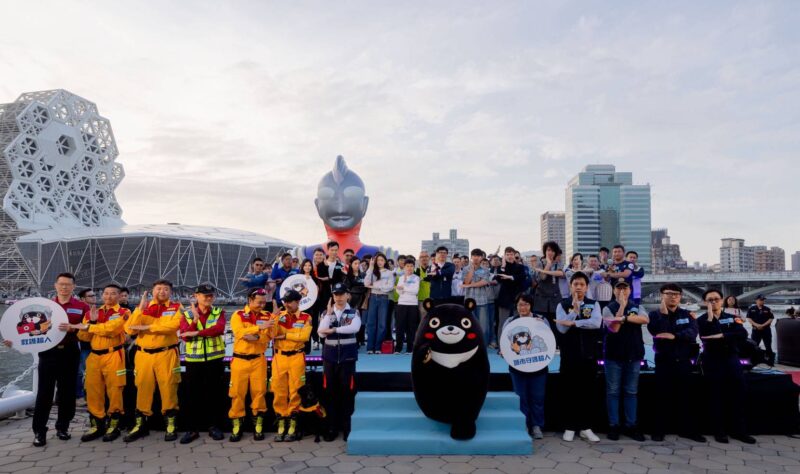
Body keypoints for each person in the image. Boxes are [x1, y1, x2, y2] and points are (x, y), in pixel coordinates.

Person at [1, 273, 90, 447]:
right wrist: (14, 342)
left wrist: (74, 328)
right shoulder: (44, 305)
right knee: (44, 393)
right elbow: (28, 330)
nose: (64, 287)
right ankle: (39, 431)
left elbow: (89, 328)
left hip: (70, 352)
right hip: (48, 353)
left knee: (67, 392)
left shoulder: (82, 307)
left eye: (68, 284)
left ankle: (63, 427)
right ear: (55, 286)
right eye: (61, 284)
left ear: (73, 287)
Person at [123, 279, 183, 442]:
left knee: (169, 387)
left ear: (171, 292)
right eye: (158, 289)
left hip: (167, 353)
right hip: (144, 355)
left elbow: (174, 326)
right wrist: (139, 310)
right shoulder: (143, 308)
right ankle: (140, 425)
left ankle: (171, 424)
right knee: (143, 387)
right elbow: (129, 329)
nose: (162, 292)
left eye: (165, 289)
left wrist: (148, 327)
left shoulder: (176, 307)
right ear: (152, 291)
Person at [647, 283, 705, 442]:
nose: (673, 297)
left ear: (680, 297)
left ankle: (687, 430)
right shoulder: (654, 315)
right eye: (669, 293)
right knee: (662, 397)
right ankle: (659, 430)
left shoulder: (687, 314)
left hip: (684, 361)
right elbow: (656, 331)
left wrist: (674, 336)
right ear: (662, 295)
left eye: (676, 294)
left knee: (686, 397)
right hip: (664, 361)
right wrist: (664, 316)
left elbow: (692, 332)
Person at [697, 289, 756, 444]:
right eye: (710, 300)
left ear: (722, 300)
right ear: (705, 302)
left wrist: (723, 335)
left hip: (731, 359)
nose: (713, 302)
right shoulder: (701, 320)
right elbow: (705, 337)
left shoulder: (732, 317)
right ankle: (719, 431)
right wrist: (711, 319)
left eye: (716, 299)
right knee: (715, 396)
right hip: (712, 360)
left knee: (738, 394)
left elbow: (742, 335)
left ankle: (739, 431)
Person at [72, 284, 130, 442]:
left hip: (114, 355)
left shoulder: (124, 312)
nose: (109, 296)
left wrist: (90, 326)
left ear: (119, 296)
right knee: (93, 391)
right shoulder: (92, 313)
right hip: (94, 356)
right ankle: (97, 424)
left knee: (115, 390)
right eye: (106, 293)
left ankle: (114, 424)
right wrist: (91, 322)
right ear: (102, 295)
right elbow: (83, 337)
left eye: (113, 293)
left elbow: (112, 330)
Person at [555, 272, 602, 442]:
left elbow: (596, 323)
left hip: (589, 356)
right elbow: (562, 328)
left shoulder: (593, 304)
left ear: (587, 287)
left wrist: (574, 322)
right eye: (576, 284)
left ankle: (585, 427)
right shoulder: (562, 304)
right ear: (571, 286)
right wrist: (573, 312)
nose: (579, 287)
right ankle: (569, 426)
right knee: (569, 392)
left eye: (582, 284)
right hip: (569, 356)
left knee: (587, 392)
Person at [178, 284, 227, 444]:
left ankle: (214, 426)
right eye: (205, 295)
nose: (208, 298)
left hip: (214, 360)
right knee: (192, 396)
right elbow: (185, 336)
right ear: (196, 296)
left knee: (215, 394)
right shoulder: (187, 314)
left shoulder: (219, 312)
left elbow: (219, 329)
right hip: (194, 361)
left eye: (211, 295)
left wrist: (197, 332)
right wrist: (195, 321)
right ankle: (192, 429)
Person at [602, 280, 647, 441]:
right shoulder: (608, 308)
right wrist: (621, 307)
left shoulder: (637, 306)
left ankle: (631, 425)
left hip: (634, 355)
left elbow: (644, 320)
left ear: (630, 290)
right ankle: (613, 425)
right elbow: (614, 328)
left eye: (625, 288)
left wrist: (624, 318)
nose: (622, 291)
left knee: (631, 392)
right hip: (613, 356)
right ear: (614, 291)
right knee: (613, 392)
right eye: (619, 288)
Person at [228, 287, 275, 442]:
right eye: (259, 302)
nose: (262, 305)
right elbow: (239, 333)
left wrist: (256, 336)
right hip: (239, 360)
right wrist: (259, 328)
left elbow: (269, 336)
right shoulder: (238, 315)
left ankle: (258, 425)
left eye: (264, 302)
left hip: (258, 360)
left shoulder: (267, 316)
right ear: (250, 300)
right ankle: (237, 425)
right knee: (237, 393)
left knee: (260, 392)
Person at [318, 283, 362, 441]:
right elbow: (321, 333)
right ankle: (332, 427)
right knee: (330, 394)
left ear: (348, 295)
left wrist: (334, 330)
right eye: (336, 294)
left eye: (342, 294)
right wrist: (328, 315)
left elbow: (354, 328)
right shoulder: (326, 312)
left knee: (347, 394)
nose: (339, 297)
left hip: (347, 359)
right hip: (330, 359)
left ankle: (347, 428)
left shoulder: (353, 312)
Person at [502, 293, 548, 439]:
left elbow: (549, 341)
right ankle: (524, 425)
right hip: (517, 367)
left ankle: (537, 426)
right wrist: (504, 352)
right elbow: (504, 343)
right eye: (520, 305)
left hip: (539, 367)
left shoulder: (541, 320)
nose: (523, 307)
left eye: (526, 304)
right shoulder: (510, 321)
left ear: (531, 305)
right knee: (521, 397)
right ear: (516, 306)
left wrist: (541, 327)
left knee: (537, 397)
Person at [271, 289, 312, 442]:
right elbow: (272, 335)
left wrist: (285, 335)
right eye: (285, 301)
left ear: (298, 302)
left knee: (296, 391)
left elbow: (304, 336)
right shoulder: (278, 316)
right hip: (279, 357)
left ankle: (293, 425)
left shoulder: (306, 317)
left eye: (289, 301)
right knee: (278, 390)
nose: (286, 304)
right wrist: (274, 318)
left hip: (297, 357)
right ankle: (281, 422)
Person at [463, 249, 497, 348]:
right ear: (471, 257)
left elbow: (484, 282)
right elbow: (466, 282)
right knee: (469, 325)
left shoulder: (485, 270)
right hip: (469, 301)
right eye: (474, 256)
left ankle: (483, 346)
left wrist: (470, 284)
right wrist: (472, 272)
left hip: (482, 301)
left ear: (481, 257)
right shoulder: (465, 269)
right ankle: (470, 345)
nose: (476, 258)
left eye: (478, 256)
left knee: (483, 326)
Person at [363, 252, 394, 354]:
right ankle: (370, 347)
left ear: (385, 261)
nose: (380, 262)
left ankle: (378, 347)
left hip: (384, 298)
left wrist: (376, 286)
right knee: (371, 323)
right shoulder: (372, 271)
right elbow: (366, 283)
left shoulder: (389, 273)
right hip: (373, 297)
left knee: (382, 324)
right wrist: (371, 267)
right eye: (378, 260)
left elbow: (390, 287)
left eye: (382, 260)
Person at [533, 241, 566, 335]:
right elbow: (542, 278)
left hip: (555, 299)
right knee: (541, 326)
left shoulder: (558, 263)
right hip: (541, 299)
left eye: (552, 250)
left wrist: (544, 271)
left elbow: (560, 273)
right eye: (548, 250)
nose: (550, 252)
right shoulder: (539, 263)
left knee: (555, 326)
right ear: (545, 251)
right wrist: (548, 263)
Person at [495, 247, 526, 338]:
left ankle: (517, 343)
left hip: (517, 298)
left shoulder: (520, 267)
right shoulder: (501, 267)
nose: (509, 256)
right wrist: (503, 266)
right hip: (504, 299)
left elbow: (522, 277)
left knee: (517, 322)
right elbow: (499, 279)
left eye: (511, 254)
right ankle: (501, 344)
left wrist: (510, 277)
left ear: (514, 255)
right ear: (504, 256)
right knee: (502, 323)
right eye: (507, 254)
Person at [394, 259, 421, 354]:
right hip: (402, 304)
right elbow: (399, 291)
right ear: (404, 267)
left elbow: (415, 291)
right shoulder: (401, 278)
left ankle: (410, 348)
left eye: (411, 266)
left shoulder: (416, 278)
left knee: (411, 328)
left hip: (413, 304)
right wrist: (404, 288)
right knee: (400, 327)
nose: (409, 268)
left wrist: (404, 288)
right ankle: (398, 348)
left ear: (414, 267)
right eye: (407, 266)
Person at [76, 288, 97, 407]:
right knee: (80, 371)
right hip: (82, 345)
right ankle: (79, 396)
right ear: (83, 299)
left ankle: (90, 395)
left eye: (94, 295)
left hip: (94, 346)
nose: (94, 297)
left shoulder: (97, 310)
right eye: (91, 296)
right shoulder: (80, 311)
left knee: (92, 372)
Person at [747, 295, 775, 366]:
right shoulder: (751, 309)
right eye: (761, 300)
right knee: (754, 345)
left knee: (768, 345)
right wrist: (756, 325)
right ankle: (753, 361)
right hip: (756, 330)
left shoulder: (767, 309)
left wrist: (763, 325)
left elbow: (771, 318)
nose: (762, 301)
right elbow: (749, 319)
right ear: (756, 300)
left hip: (766, 330)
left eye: (763, 300)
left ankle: (770, 362)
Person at [415, 251, 432, 320]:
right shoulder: (416, 271)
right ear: (419, 259)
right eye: (421, 257)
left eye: (426, 256)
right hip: (419, 300)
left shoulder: (433, 269)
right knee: (422, 321)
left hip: (431, 299)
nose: (424, 258)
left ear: (429, 258)